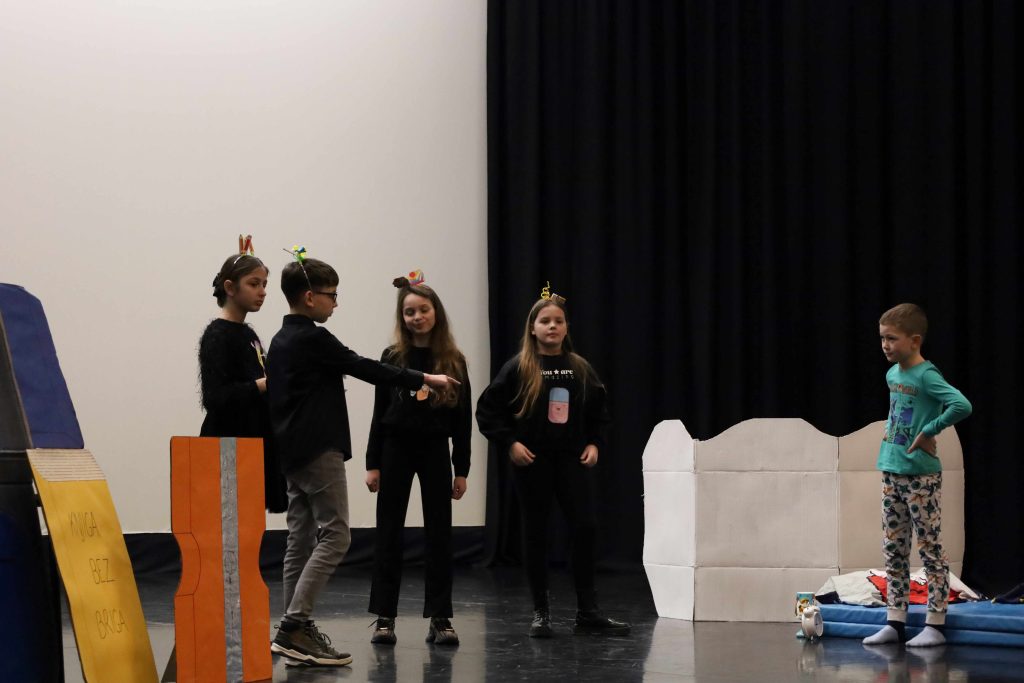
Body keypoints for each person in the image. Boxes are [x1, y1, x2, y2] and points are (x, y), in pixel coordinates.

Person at [266, 251, 459, 667]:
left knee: (299, 540)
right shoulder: (313, 338)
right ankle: (294, 626)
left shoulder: (280, 340)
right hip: (318, 450)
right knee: (337, 536)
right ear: (310, 297)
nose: (335, 303)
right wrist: (425, 378)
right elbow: (364, 368)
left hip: (291, 454)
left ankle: (293, 634)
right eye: (332, 295)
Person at [476, 287, 630, 638]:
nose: (552, 326)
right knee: (536, 532)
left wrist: (594, 443)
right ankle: (541, 612)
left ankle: (587, 611)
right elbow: (488, 411)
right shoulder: (519, 368)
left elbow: (599, 413)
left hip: (571, 460)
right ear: (532, 328)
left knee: (585, 527)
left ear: (566, 327)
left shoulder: (579, 368)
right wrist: (510, 443)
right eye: (545, 321)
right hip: (533, 463)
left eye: (558, 321)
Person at [365, 271, 471, 647]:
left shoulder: (453, 360)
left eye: (423, 310)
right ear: (402, 317)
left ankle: (440, 617)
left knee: (439, 533)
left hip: (434, 450)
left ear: (435, 312)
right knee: (389, 531)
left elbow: (462, 419)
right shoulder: (392, 358)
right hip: (395, 448)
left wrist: (462, 469)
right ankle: (384, 617)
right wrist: (372, 463)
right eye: (409, 312)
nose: (417, 317)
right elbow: (379, 413)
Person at [863, 303, 972, 648]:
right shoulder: (892, 375)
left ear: (914, 340)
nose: (885, 345)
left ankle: (935, 623)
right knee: (893, 549)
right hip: (891, 469)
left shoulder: (926, 375)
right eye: (882, 338)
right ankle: (895, 621)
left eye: (892, 338)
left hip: (920, 476)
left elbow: (961, 405)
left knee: (929, 548)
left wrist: (929, 430)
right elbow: (898, 414)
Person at [198, 246, 287, 512]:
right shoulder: (217, 335)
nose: (263, 291)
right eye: (253, 284)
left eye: (264, 284)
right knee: (229, 521)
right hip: (228, 444)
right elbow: (215, 397)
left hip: (253, 440)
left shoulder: (248, 334)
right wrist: (262, 385)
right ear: (230, 287)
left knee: (250, 520)